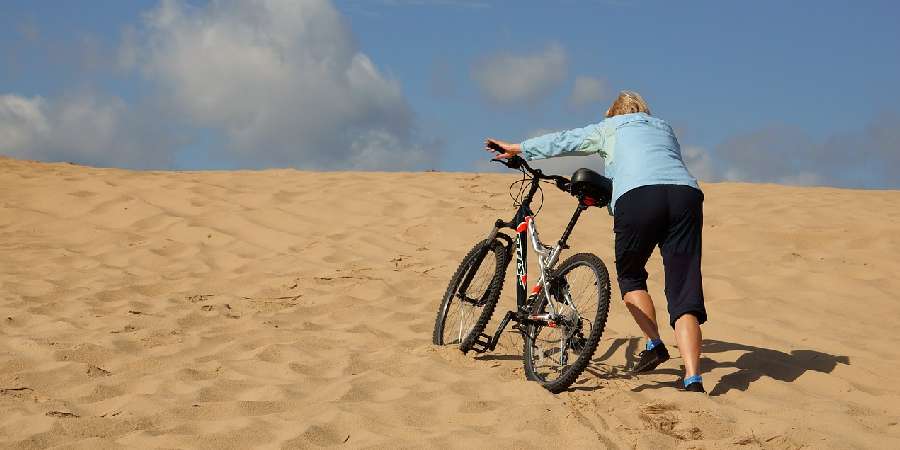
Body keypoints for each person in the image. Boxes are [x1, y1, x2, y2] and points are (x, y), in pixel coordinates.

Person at [485, 91, 707, 393]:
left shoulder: (610, 128)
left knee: (631, 278)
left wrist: (517, 148)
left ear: (614, 113)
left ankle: (655, 343)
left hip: (639, 197)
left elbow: (566, 141)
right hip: (685, 196)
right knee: (684, 289)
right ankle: (693, 378)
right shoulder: (663, 127)